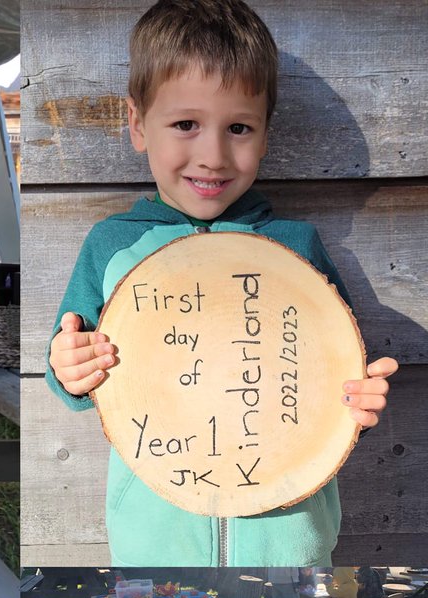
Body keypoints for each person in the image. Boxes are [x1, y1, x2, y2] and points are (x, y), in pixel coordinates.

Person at [45, 0, 398, 568]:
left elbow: (342, 376)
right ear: (137, 124)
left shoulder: (296, 247)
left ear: (265, 134)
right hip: (156, 552)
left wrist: (361, 399)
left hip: (290, 549)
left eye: (238, 128)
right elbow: (68, 377)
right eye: (186, 124)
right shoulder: (112, 246)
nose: (212, 156)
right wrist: (69, 367)